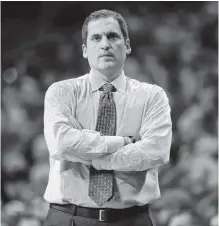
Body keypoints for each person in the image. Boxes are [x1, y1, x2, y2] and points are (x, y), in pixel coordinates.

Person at [43, 9, 172, 226]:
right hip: (67, 218)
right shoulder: (61, 92)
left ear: (127, 45)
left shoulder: (152, 96)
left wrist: (93, 157)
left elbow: (156, 151)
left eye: (112, 36)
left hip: (131, 219)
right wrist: (121, 142)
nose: (105, 44)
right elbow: (61, 144)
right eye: (96, 38)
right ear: (85, 50)